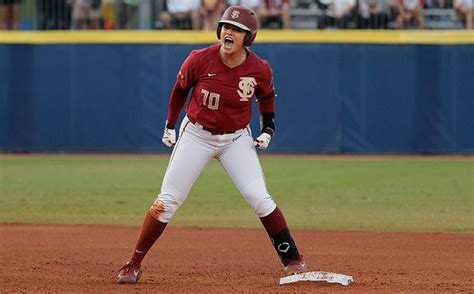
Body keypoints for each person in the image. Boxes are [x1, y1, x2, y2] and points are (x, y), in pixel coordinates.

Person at [116, 5, 307, 284]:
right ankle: (133, 263)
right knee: (167, 201)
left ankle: (293, 259)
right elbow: (180, 90)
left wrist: (268, 128)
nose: (229, 32)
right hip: (197, 134)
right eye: (226, 27)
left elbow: (266, 97)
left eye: (236, 30)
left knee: (259, 198)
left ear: (248, 37)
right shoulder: (199, 59)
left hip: (236, 138)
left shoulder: (259, 68)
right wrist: (170, 124)